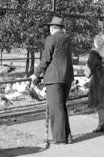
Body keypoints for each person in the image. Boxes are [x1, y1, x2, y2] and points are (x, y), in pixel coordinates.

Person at [30, 16, 74, 145]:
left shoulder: (52, 38)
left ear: (52, 28)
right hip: (67, 76)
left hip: (54, 77)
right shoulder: (67, 38)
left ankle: (60, 138)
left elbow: (46, 59)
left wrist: (36, 74)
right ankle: (67, 136)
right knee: (61, 107)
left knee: (56, 108)